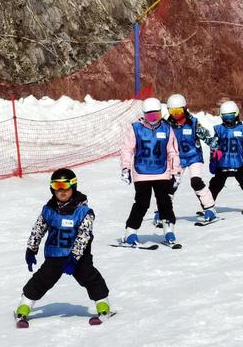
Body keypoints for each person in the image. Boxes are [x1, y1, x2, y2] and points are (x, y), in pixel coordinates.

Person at [14, 169, 111, 327]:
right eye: (57, 186)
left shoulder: (83, 212)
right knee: (41, 280)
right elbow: (38, 229)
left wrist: (74, 257)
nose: (62, 191)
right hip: (54, 255)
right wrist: (31, 249)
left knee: (90, 277)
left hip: (78, 258)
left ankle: (103, 305)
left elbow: (85, 235)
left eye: (65, 186)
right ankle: (24, 306)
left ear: (73, 186)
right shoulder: (49, 210)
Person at [120, 98, 181, 245]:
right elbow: (127, 149)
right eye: (150, 116)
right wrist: (125, 168)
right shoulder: (136, 128)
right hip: (141, 173)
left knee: (164, 201)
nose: (153, 119)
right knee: (142, 203)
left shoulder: (166, 128)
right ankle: (131, 231)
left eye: (156, 115)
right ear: (144, 115)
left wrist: (175, 171)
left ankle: (169, 229)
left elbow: (173, 151)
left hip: (161, 171)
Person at [155, 93, 219, 223]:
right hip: (177, 159)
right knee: (170, 185)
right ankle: (163, 211)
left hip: (193, 156)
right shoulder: (167, 125)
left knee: (196, 181)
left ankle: (210, 208)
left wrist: (216, 147)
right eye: (172, 111)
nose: (176, 114)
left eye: (178, 111)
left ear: (184, 109)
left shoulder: (193, 123)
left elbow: (205, 136)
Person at [208, 101, 243, 211]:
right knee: (215, 185)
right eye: (225, 117)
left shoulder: (242, 129)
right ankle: (208, 206)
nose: (228, 120)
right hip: (222, 163)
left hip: (238, 163)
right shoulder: (219, 130)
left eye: (230, 116)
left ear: (236, 115)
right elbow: (214, 146)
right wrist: (213, 160)